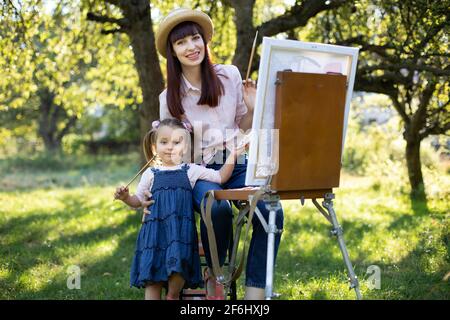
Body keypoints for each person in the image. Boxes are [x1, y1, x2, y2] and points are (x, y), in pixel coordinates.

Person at [145, 8, 284, 300]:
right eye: (181, 42)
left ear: (204, 41)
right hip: (199, 171)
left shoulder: (229, 75)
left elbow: (243, 126)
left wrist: (252, 103)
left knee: (269, 210)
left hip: (238, 162)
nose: (191, 47)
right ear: (172, 51)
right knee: (215, 208)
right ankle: (216, 276)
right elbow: (171, 154)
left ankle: (256, 293)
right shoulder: (168, 97)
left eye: (195, 38)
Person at [114, 118, 244, 300]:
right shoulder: (150, 174)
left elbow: (220, 177)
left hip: (180, 237)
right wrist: (126, 197)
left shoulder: (191, 170)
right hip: (155, 235)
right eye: (164, 142)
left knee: (175, 288)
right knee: (152, 284)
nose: (170, 147)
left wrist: (233, 155)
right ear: (154, 146)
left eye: (176, 142)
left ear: (185, 147)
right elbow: (138, 201)